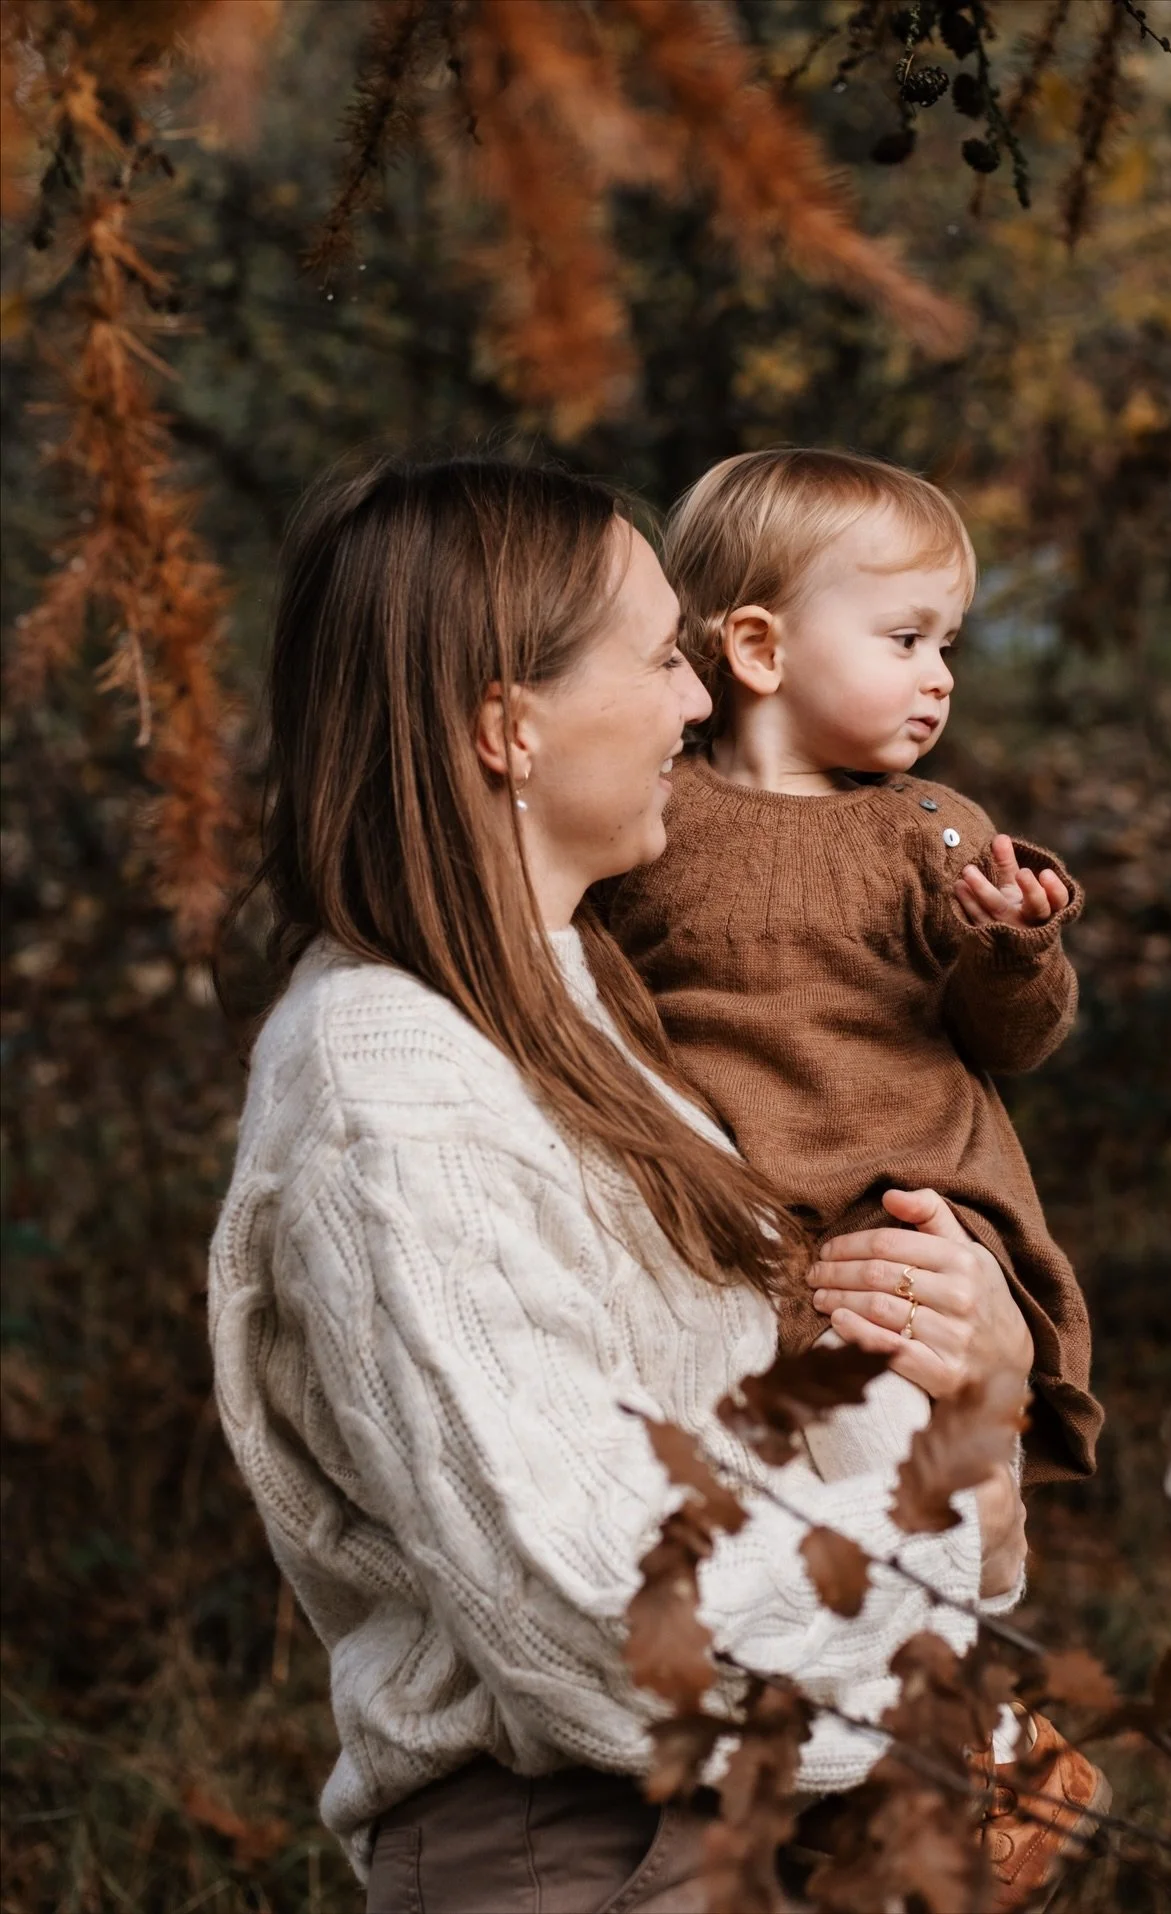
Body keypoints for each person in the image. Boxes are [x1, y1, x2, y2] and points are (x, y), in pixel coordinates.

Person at [208, 452, 1042, 1914]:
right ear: (505, 722)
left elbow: (720, 1441)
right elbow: (602, 1621)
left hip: (741, 1814)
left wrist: (977, 1367)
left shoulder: (584, 1003)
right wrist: (967, 1518)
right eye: (664, 656)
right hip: (583, 1851)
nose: (703, 701)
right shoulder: (388, 1086)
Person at [603, 447, 1102, 1490]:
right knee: (726, 1471)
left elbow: (1015, 1042)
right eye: (906, 638)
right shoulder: (654, 817)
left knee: (881, 1445)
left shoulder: (934, 833)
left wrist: (1013, 951)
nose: (942, 676)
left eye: (948, 644)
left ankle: (926, 1593)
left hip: (905, 1209)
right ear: (757, 648)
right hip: (723, 1211)